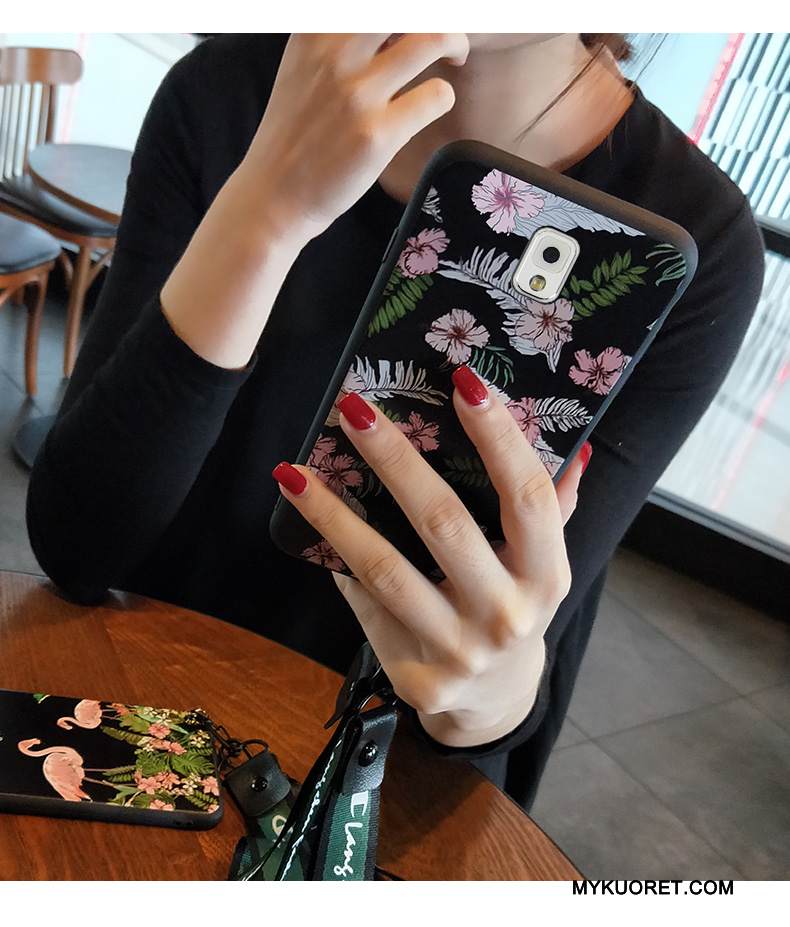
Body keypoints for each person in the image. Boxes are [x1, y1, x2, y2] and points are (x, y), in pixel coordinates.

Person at [27, 34, 764, 809]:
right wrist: (266, 208)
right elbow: (76, 546)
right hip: (137, 710)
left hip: (368, 783)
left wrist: (493, 692)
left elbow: (498, 671)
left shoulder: (690, 234)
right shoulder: (229, 92)